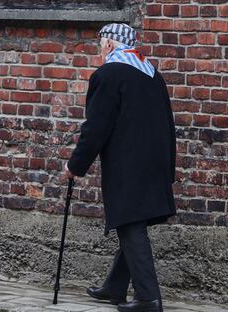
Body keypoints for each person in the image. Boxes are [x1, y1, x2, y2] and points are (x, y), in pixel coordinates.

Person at [62, 23, 176, 312]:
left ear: (110, 45)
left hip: (128, 163)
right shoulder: (152, 75)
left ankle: (148, 299)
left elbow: (96, 128)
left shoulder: (108, 75)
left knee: (129, 222)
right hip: (155, 161)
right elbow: (168, 123)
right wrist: (169, 167)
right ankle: (115, 286)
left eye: (101, 45)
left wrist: (76, 165)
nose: (100, 51)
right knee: (133, 219)